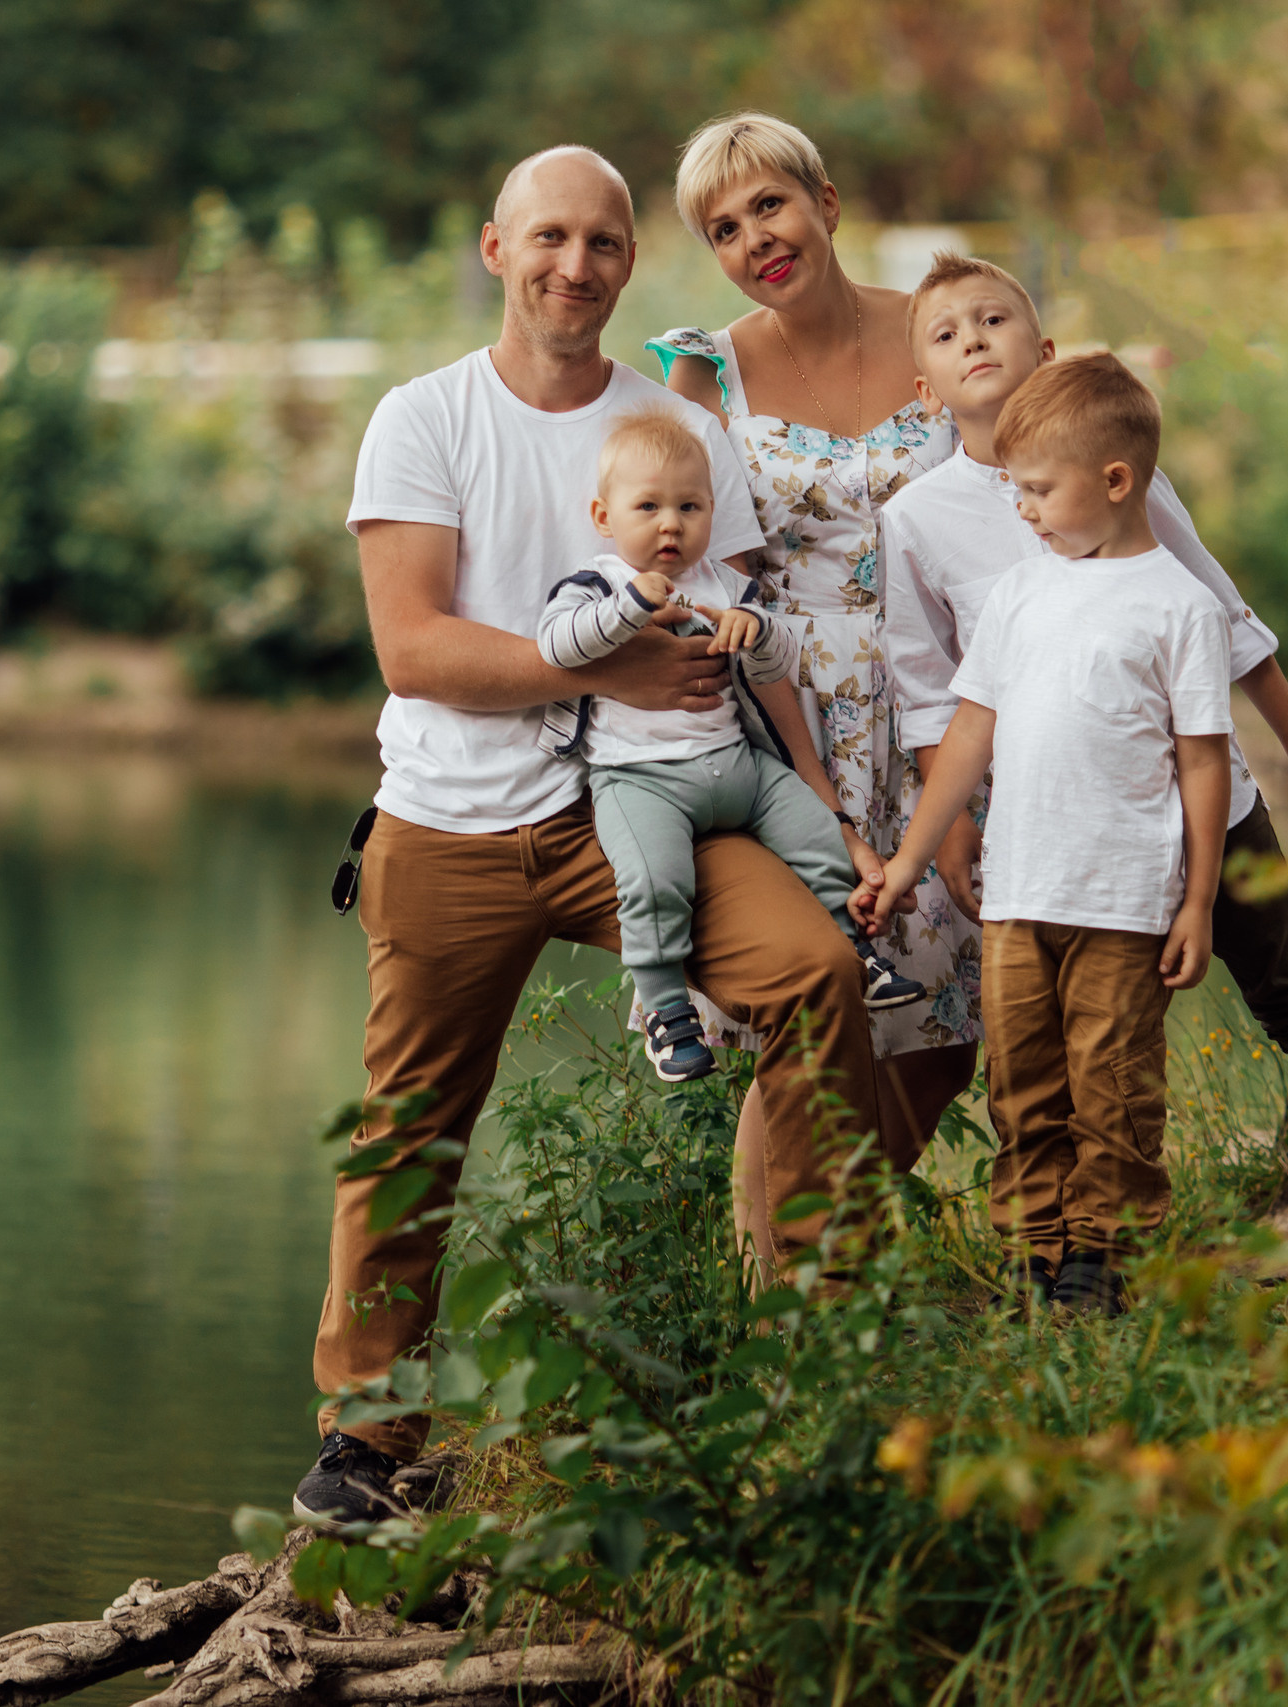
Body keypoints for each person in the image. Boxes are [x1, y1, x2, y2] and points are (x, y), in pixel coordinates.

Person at [294, 146, 886, 1530]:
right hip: (452, 818)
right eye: (551, 237)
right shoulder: (425, 418)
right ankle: (369, 1441)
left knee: (818, 975)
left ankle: (815, 1368)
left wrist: (826, 802)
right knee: (413, 1122)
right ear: (496, 247)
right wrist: (599, 671)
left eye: (607, 243)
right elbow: (415, 644)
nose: (578, 266)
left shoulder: (671, 434)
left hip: (654, 804)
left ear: (630, 262)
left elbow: (742, 633)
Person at [877, 253, 1288, 1208]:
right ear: (922, 388)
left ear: (1043, 349)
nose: (972, 337)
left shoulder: (1120, 469)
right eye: (946, 331)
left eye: (992, 319)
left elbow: (1220, 613)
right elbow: (936, 693)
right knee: (1073, 1038)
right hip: (1059, 831)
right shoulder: (920, 520)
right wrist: (956, 823)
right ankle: (1078, 1233)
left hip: (1200, 795)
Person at [647, 112, 974, 1273]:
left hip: (945, 692)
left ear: (825, 202)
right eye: (722, 228)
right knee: (807, 1019)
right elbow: (666, 542)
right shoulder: (705, 366)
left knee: (945, 1022)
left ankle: (828, 1266)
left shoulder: (945, 325)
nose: (753, 239)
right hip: (790, 713)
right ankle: (777, 1307)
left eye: (768, 206)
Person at [871, 354, 1231, 1315]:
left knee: (1113, 1087)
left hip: (1122, 899)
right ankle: (1034, 1252)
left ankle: (1104, 1257)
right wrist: (912, 858)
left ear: (1115, 482)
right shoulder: (1024, 594)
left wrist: (1197, 899)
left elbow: (1203, 760)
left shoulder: (1179, 607)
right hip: (1018, 893)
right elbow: (969, 733)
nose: (1021, 508)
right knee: (1021, 1084)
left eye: (1037, 489)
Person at [537, 408, 926, 1082]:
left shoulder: (724, 584)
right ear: (604, 516)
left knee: (817, 836)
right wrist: (631, 606)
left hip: (741, 769)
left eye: (690, 506)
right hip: (641, 778)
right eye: (648, 506)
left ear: (713, 513)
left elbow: (778, 661)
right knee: (656, 882)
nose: (670, 523)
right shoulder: (595, 584)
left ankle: (855, 949)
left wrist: (755, 625)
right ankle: (666, 1010)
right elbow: (558, 647)